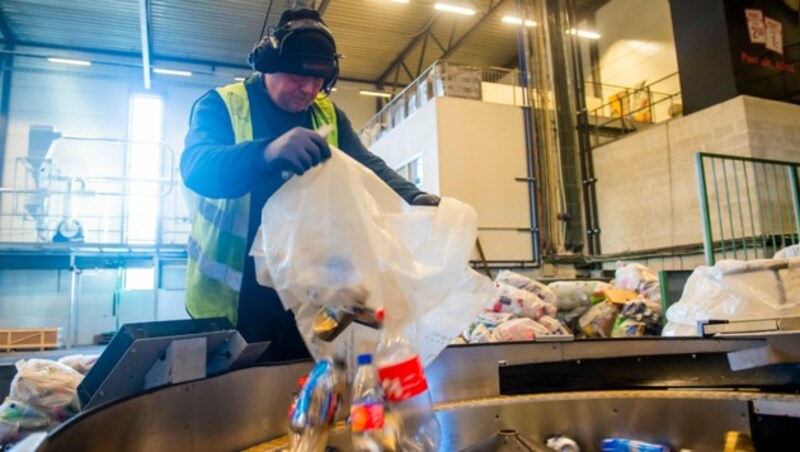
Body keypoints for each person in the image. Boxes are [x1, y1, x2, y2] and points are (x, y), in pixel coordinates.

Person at [180, 8, 439, 361]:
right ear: (267, 64)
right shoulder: (223, 106)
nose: (309, 88)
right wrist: (268, 153)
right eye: (297, 76)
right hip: (237, 302)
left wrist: (413, 195)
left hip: (310, 295)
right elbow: (198, 167)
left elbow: (367, 164)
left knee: (312, 394)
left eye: (319, 80)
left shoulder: (328, 114)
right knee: (242, 404)